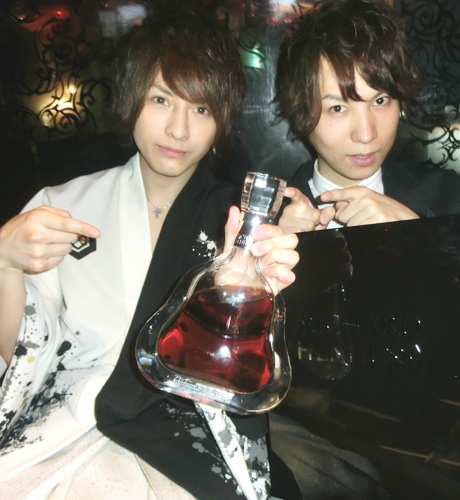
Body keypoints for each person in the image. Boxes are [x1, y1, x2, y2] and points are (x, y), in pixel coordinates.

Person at [0, 5, 301, 499]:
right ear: (131, 97)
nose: (179, 130)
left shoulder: (243, 225)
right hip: (68, 421)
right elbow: (22, 356)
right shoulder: (61, 205)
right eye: (161, 99)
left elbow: (244, 372)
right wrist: (4, 263)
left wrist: (242, 288)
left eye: (201, 109)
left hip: (188, 433)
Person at [275, 0, 460, 233]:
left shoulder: (449, 196)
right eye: (338, 108)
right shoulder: (261, 223)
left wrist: (418, 236)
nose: (366, 135)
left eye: (380, 101)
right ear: (301, 113)